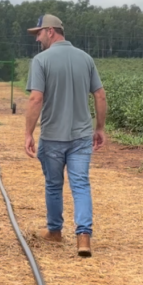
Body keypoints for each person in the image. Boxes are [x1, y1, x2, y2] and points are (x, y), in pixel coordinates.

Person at [24, 14, 107, 257]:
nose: (37, 39)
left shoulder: (41, 61)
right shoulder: (85, 58)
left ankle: (55, 232)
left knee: (53, 185)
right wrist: (99, 128)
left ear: (51, 31)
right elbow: (100, 95)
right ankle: (83, 238)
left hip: (52, 137)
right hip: (81, 136)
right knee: (80, 184)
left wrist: (28, 132)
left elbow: (36, 98)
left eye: (39, 33)